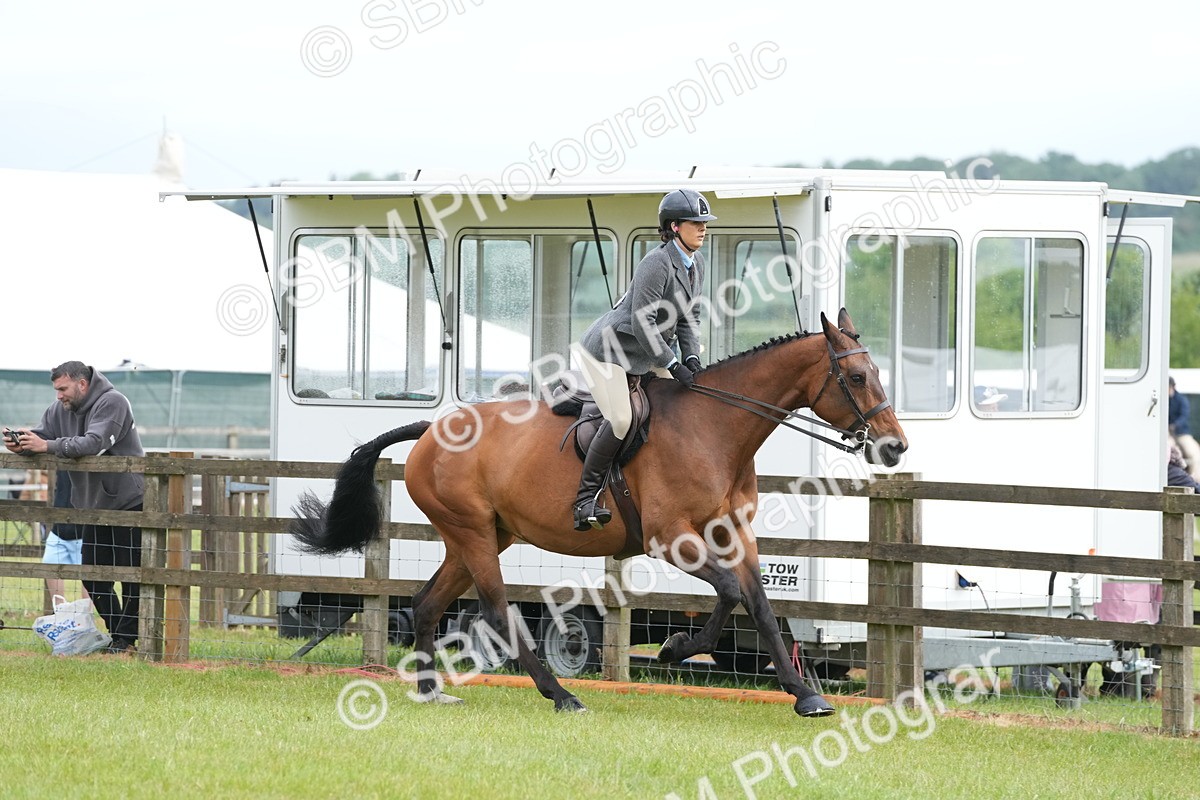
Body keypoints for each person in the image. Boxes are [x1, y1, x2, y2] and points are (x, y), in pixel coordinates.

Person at [569, 188, 715, 531]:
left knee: (682, 406)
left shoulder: (697, 264)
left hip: (645, 353)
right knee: (621, 419)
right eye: (696, 222)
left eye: (704, 222)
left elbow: (686, 318)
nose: (703, 228)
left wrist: (691, 356)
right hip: (608, 352)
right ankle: (585, 500)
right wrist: (671, 362)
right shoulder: (656, 262)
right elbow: (641, 320)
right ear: (675, 227)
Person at [4, 361, 145, 653]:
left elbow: (93, 443)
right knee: (93, 575)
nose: (59, 396)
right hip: (91, 507)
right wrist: (24, 443)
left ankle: (126, 640)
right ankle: (120, 635)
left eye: (63, 389)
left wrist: (47, 446)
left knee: (133, 576)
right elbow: (44, 436)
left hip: (129, 503)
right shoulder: (60, 410)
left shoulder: (113, 402)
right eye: (56, 390)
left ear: (82, 384)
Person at [42, 471, 90, 603]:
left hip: (86, 528)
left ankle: (86, 616)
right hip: (60, 527)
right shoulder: (60, 453)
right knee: (50, 565)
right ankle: (60, 614)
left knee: (89, 574)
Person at [1168, 376, 1200, 480]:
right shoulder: (1162, 400)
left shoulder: (1182, 400)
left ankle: (1195, 479)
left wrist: (1175, 425)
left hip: (1181, 432)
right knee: (1169, 450)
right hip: (1167, 433)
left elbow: (1184, 416)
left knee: (1194, 453)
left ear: (1172, 387)